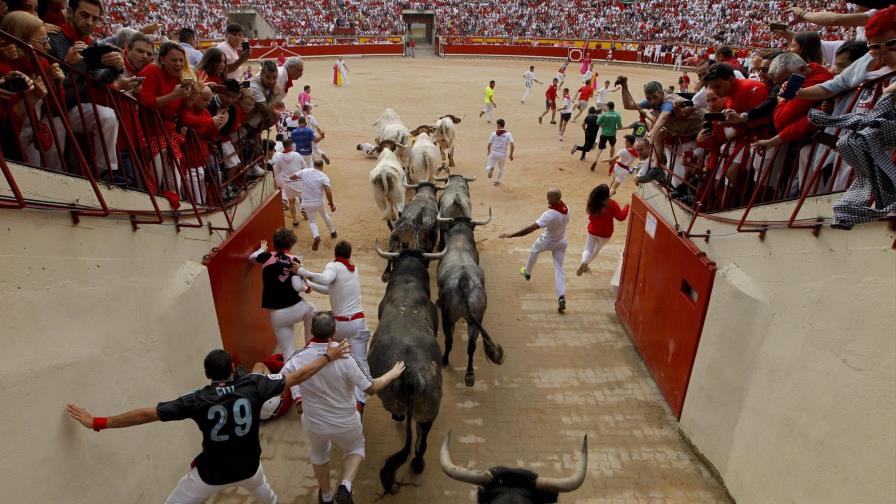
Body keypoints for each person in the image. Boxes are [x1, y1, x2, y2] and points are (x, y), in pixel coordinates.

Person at [65, 345, 350, 504]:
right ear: (231, 370)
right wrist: (328, 356)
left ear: (207, 374)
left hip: (209, 476)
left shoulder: (197, 400)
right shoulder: (253, 385)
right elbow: (298, 376)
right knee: (267, 496)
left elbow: (146, 414)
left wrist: (98, 422)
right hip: (250, 469)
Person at [282, 312, 405, 504]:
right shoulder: (347, 360)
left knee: (319, 454)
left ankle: (326, 496)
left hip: (314, 423)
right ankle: (345, 486)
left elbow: (286, 380)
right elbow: (371, 388)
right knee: (356, 448)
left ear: (312, 331)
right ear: (335, 332)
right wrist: (392, 373)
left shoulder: (297, 359)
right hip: (346, 422)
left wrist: (298, 399)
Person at [47, 0, 124, 182]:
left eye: (95, 18)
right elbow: (48, 80)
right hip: (49, 108)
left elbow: (99, 78)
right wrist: (68, 65)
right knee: (53, 166)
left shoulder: (93, 45)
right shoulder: (52, 38)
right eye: (84, 15)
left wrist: (114, 68)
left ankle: (106, 172)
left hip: (73, 107)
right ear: (70, 12)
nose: (90, 22)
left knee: (107, 116)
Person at [298, 241, 372, 410]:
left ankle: (325, 388)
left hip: (338, 326)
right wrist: (309, 285)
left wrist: (302, 271)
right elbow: (330, 289)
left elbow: (325, 279)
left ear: (335, 254)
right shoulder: (354, 270)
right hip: (357, 324)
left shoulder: (333, 266)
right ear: (349, 255)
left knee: (327, 355)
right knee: (360, 361)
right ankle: (359, 401)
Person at [499, 188, 570, 314]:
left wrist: (512, 235)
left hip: (547, 241)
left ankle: (527, 272)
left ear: (552, 199)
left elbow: (529, 229)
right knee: (559, 269)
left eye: (548, 197)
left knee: (534, 250)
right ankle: (561, 296)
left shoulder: (549, 214)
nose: (546, 199)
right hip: (562, 242)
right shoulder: (567, 208)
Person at [249, 229, 316, 357]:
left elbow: (251, 258)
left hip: (277, 315)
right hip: (296, 309)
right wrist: (306, 288)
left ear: (274, 244)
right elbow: (298, 286)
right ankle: (310, 345)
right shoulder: (294, 260)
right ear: (291, 244)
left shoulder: (267, 257)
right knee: (311, 308)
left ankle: (289, 375)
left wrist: (262, 249)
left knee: (288, 353)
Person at [576, 184, 629, 276]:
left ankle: (584, 261)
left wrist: (610, 195)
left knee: (588, 249)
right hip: (605, 234)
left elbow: (602, 204)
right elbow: (621, 217)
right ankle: (587, 263)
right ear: (606, 195)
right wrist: (626, 208)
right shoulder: (612, 204)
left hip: (592, 231)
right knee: (596, 250)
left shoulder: (592, 202)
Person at [299, 159, 337, 251]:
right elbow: (328, 191)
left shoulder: (304, 172)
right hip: (319, 202)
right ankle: (333, 232)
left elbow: (292, 177)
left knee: (312, 221)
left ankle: (316, 236)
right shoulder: (323, 176)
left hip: (307, 203)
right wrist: (331, 204)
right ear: (322, 166)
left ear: (314, 165)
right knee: (324, 215)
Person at [272, 139, 307, 228]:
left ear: (284, 146)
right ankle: (303, 207)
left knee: (291, 203)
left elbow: (278, 171)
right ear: (291, 146)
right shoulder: (297, 155)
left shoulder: (279, 158)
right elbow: (305, 167)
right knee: (302, 197)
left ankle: (295, 221)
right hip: (298, 181)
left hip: (287, 183)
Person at [485, 118, 514, 186]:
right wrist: (511, 155)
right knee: (501, 168)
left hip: (494, 152)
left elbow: (489, 144)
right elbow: (512, 145)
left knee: (488, 166)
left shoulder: (494, 133)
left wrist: (489, 151)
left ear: (498, 125)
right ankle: (497, 181)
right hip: (502, 154)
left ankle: (490, 170)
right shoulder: (508, 134)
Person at [593, 101, 623, 165]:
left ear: (608, 107)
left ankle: (595, 160)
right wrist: (616, 128)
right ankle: (611, 160)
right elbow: (620, 126)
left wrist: (603, 125)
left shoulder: (604, 114)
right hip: (612, 134)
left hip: (604, 133)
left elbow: (597, 123)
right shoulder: (617, 114)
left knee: (600, 148)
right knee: (612, 146)